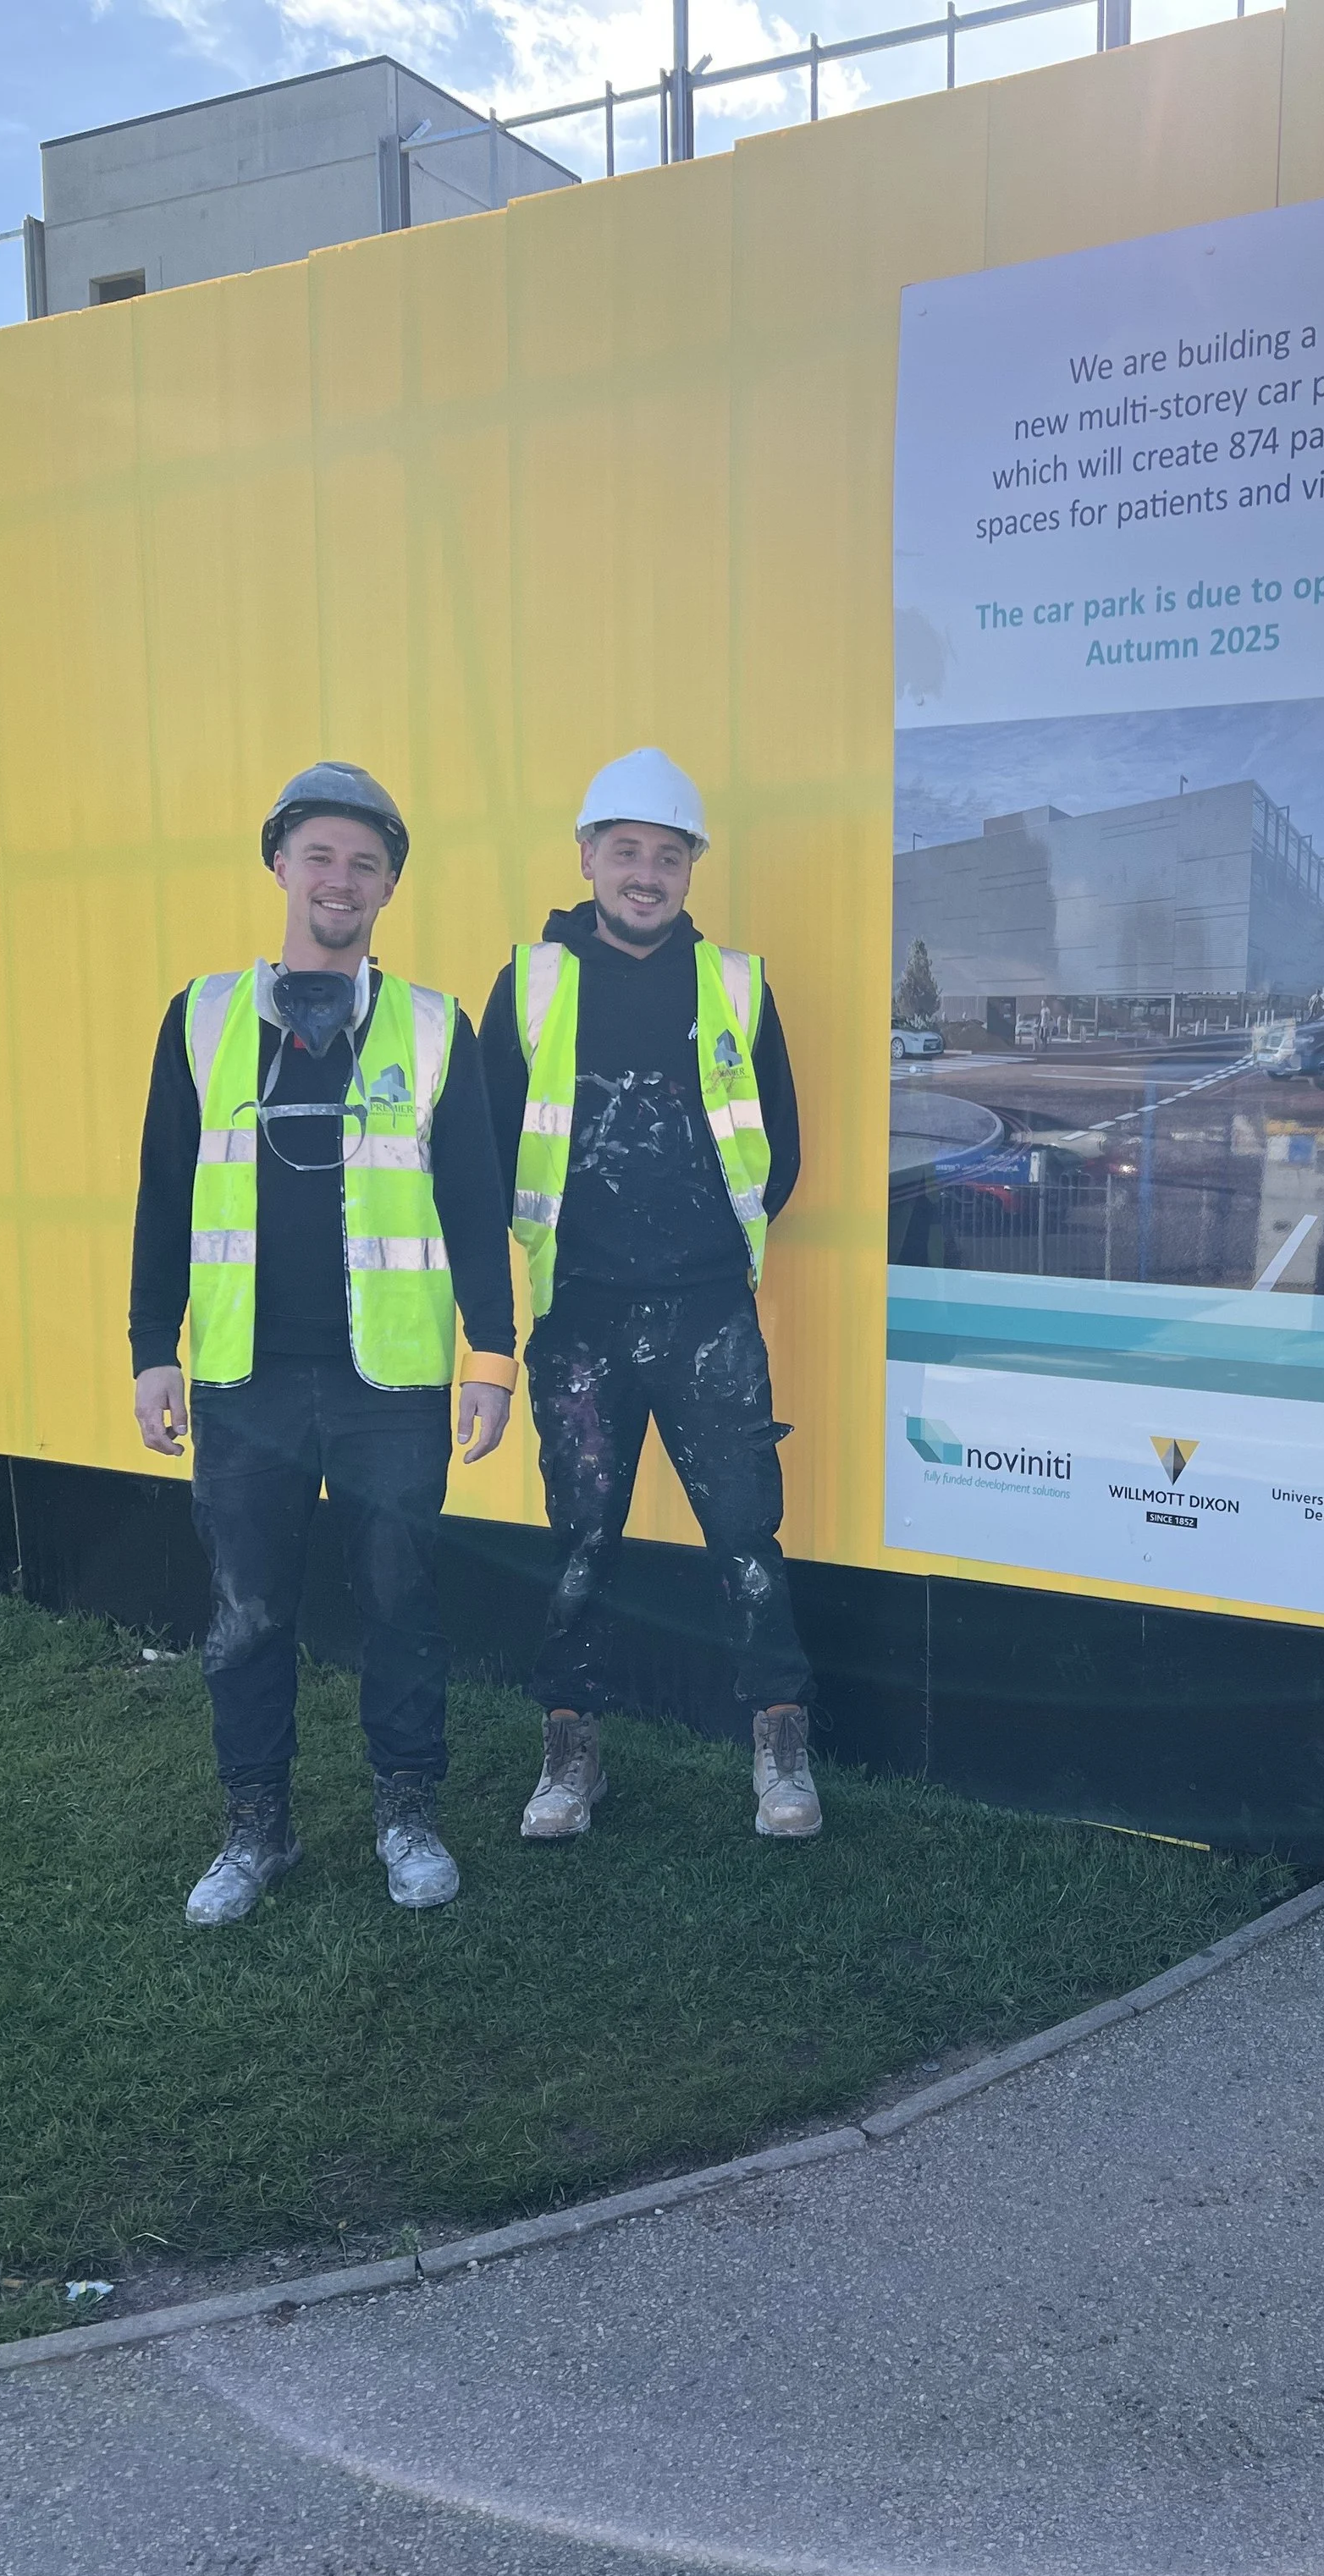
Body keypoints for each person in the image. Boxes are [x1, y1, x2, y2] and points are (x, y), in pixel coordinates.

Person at [130, 762, 517, 1923]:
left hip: (390, 1381)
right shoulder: (202, 1018)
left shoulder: (435, 1027)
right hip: (246, 1378)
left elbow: (474, 1202)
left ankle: (407, 1811)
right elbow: (161, 1191)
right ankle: (259, 1826)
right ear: (280, 865)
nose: (340, 879)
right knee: (249, 1614)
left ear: (390, 885)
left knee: (401, 1600)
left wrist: (491, 1359)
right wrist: (156, 1346)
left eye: (365, 861)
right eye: (320, 855)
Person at [477, 749, 820, 1842]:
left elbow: (780, 1146)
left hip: (709, 1312)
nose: (646, 873)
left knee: (747, 1539)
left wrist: (705, 1255)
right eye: (625, 850)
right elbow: (487, 1155)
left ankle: (780, 1753)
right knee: (581, 1539)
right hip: (578, 1314)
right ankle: (572, 1759)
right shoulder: (530, 984)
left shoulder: (733, 985)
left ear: (689, 870)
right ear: (587, 857)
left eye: (667, 856)